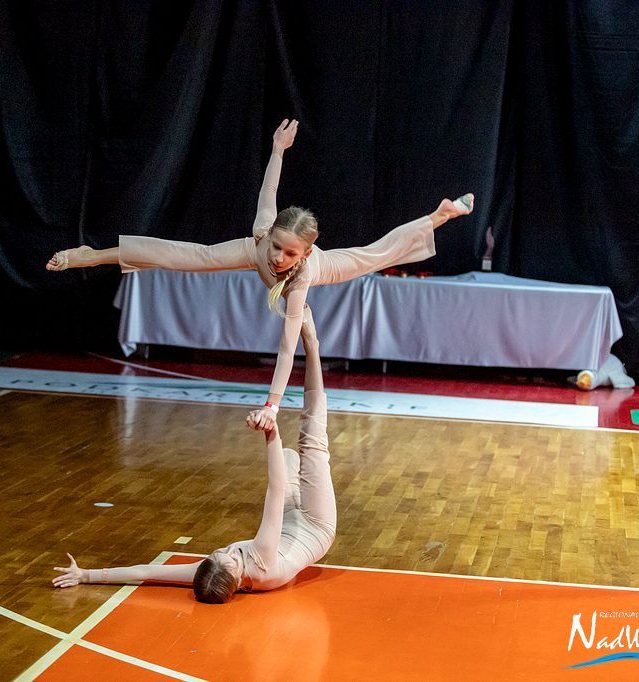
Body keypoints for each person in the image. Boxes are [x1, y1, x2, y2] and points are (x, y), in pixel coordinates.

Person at [45, 120, 474, 429]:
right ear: (269, 236)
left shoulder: (302, 274)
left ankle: (437, 216)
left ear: (303, 252)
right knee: (187, 256)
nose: (281, 258)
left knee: (371, 259)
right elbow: (269, 190)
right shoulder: (261, 235)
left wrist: (272, 405)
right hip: (249, 252)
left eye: (290, 253)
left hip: (321, 272)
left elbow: (285, 348)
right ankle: (92, 255)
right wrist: (277, 150)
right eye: (278, 248)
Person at [52, 306, 337, 603]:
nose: (230, 550)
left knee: (289, 457)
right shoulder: (262, 560)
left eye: (219, 552)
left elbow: (147, 572)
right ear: (241, 582)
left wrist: (86, 575)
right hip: (316, 524)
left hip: (290, 523)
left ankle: (308, 356)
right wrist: (270, 431)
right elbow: (275, 491)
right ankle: (312, 344)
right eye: (232, 557)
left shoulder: (212, 572)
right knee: (310, 443)